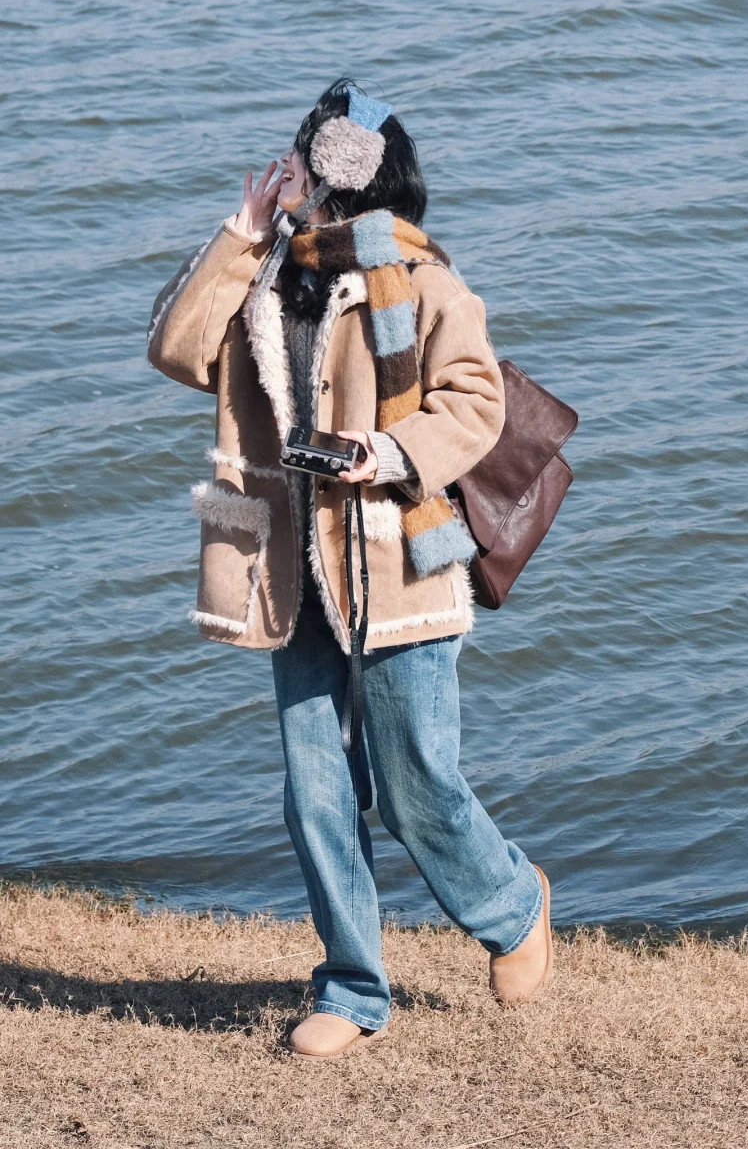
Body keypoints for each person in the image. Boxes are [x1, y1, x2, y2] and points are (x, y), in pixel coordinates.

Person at [147, 78, 551, 1058]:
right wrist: (238, 235)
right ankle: (352, 988)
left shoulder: (422, 281)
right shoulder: (260, 272)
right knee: (315, 787)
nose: (291, 180)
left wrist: (391, 451)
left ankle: (512, 902)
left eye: (306, 168)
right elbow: (176, 348)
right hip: (284, 564)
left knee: (415, 784)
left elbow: (475, 404)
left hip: (399, 561)